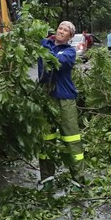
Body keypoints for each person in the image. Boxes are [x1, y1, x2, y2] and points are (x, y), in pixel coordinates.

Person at [37, 20, 84, 184]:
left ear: (70, 36)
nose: (61, 31)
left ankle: (78, 179)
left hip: (65, 99)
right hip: (47, 97)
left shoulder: (70, 52)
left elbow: (54, 62)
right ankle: (47, 179)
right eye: (60, 28)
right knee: (46, 139)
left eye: (66, 30)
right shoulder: (44, 44)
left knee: (71, 139)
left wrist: (45, 48)